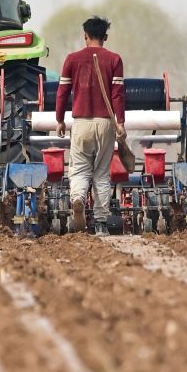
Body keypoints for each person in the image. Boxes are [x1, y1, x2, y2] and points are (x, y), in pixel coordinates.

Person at [55, 16, 126, 235]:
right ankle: (102, 224)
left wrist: (59, 119)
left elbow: (62, 92)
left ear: (85, 36)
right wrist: (120, 122)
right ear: (105, 37)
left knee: (79, 169)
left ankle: (77, 199)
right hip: (105, 123)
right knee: (102, 174)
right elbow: (118, 94)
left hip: (81, 122)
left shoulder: (72, 59)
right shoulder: (114, 59)